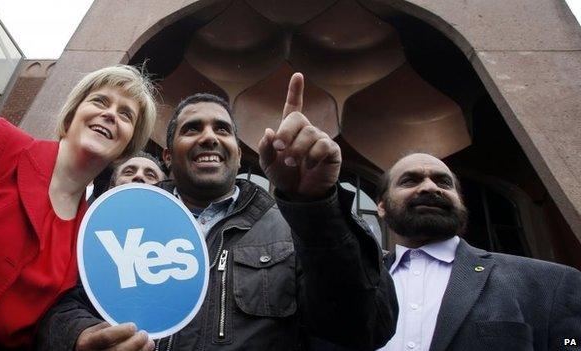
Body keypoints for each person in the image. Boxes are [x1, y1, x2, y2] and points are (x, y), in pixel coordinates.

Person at [36, 73, 398, 351]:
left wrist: (316, 208)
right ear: (167, 155)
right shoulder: (119, 220)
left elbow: (364, 327)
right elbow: (58, 306)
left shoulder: (292, 228)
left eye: (222, 129)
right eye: (193, 129)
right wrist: (78, 334)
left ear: (237, 154)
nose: (209, 137)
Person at [0, 65, 157, 350]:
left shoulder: (94, 235)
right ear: (72, 113)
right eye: (100, 101)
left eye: (126, 114)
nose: (111, 114)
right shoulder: (0, 143)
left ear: (127, 145)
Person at [377, 152, 581, 351]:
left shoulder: (551, 283)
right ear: (382, 207)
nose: (431, 187)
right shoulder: (359, 283)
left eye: (444, 183)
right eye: (410, 181)